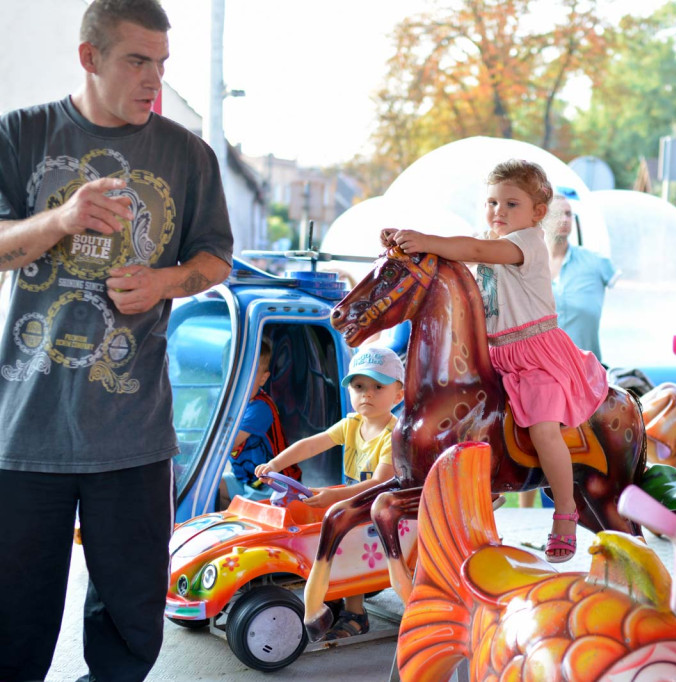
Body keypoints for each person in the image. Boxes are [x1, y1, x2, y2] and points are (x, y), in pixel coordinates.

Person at [0, 2, 234, 680]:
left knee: (131, 627)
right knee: (13, 624)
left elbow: (215, 256)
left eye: (161, 63)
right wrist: (61, 219)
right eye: (137, 60)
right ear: (89, 58)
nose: (153, 80)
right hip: (25, 430)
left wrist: (166, 280)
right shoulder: (22, 134)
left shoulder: (188, 155)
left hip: (133, 435)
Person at [381, 159, 608, 564]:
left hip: (535, 355)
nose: (498, 212)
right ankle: (483, 493)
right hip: (495, 356)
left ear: (537, 213)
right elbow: (452, 259)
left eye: (511, 204)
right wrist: (405, 246)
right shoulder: (487, 239)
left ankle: (565, 512)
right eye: (492, 202)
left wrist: (426, 238)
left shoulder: (527, 244)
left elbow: (469, 249)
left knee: (542, 428)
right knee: (471, 417)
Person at [254, 345, 405, 637]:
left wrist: (333, 496)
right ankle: (329, 593)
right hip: (353, 501)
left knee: (346, 536)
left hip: (380, 509)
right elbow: (312, 444)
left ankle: (356, 613)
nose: (367, 394)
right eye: (359, 386)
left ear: (398, 395)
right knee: (308, 521)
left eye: (377, 386)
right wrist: (275, 462)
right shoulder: (352, 425)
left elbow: (377, 484)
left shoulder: (393, 435)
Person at [219, 338, 300, 508]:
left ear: (263, 379)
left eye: (247, 374)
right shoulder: (234, 404)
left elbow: (226, 444)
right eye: (233, 372)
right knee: (216, 486)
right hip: (247, 478)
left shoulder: (260, 408)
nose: (239, 380)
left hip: (273, 484)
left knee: (241, 512)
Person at [545, 191, 618, 361]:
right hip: (543, 371)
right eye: (557, 214)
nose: (565, 219)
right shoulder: (529, 266)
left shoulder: (597, 263)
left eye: (569, 214)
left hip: (587, 372)